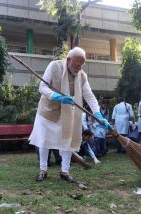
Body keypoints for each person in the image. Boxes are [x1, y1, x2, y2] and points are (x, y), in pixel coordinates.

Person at [29, 47, 111, 183]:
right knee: (44, 140)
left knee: (68, 141)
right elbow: (42, 88)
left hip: (67, 113)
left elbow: (89, 95)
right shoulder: (54, 66)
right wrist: (55, 96)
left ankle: (65, 171)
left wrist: (97, 114)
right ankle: (43, 170)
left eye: (81, 65)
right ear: (68, 60)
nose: (79, 68)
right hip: (48, 111)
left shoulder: (82, 75)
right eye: (77, 64)